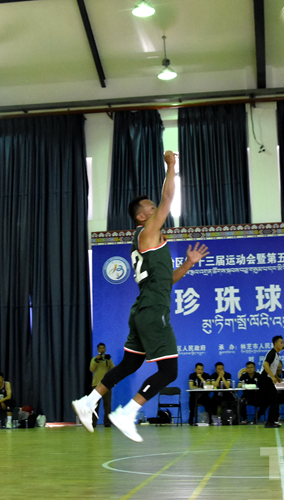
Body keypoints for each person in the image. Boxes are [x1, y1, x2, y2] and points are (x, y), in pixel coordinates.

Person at [72, 150, 210, 442]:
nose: (156, 208)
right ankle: (128, 413)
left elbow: (165, 281)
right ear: (142, 216)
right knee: (169, 371)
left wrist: (188, 264)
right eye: (151, 207)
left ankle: (88, 401)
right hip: (152, 310)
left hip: (141, 311)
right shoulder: (147, 232)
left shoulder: (147, 242)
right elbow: (168, 198)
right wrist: (171, 166)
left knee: (130, 364)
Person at [260, 335, 284, 428]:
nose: (283, 344)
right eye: (281, 342)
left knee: (272, 400)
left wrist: (276, 377)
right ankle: (270, 422)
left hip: (267, 379)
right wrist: (272, 377)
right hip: (264, 379)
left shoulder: (277, 354)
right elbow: (265, 365)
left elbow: (272, 368)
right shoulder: (272, 353)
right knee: (274, 399)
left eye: (283, 343)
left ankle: (272, 421)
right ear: (275, 344)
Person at [89, 343, 115, 428]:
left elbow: (113, 369)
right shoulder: (94, 359)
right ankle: (93, 423)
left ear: (105, 349)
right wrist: (97, 359)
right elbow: (91, 369)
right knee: (95, 405)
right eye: (100, 348)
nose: (102, 350)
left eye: (103, 348)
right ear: (97, 350)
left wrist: (109, 360)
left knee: (107, 405)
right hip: (96, 385)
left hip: (107, 385)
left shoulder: (107, 359)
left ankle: (107, 423)